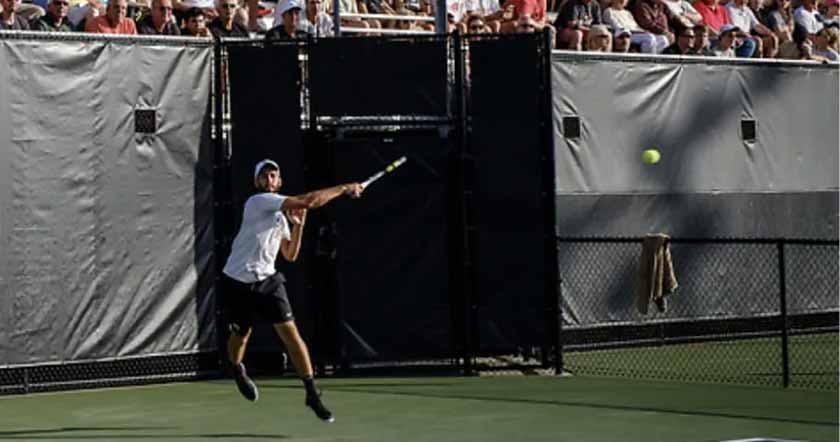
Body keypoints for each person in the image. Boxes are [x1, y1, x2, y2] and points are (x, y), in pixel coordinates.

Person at [222, 159, 364, 423]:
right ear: (257, 183)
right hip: (238, 280)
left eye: (273, 175)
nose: (268, 179)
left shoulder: (280, 214)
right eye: (263, 176)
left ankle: (311, 393)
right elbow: (309, 201)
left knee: (292, 335)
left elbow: (290, 254)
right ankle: (236, 368)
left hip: (268, 281)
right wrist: (345, 188)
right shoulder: (257, 202)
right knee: (241, 335)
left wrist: (298, 225)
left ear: (280, 181)